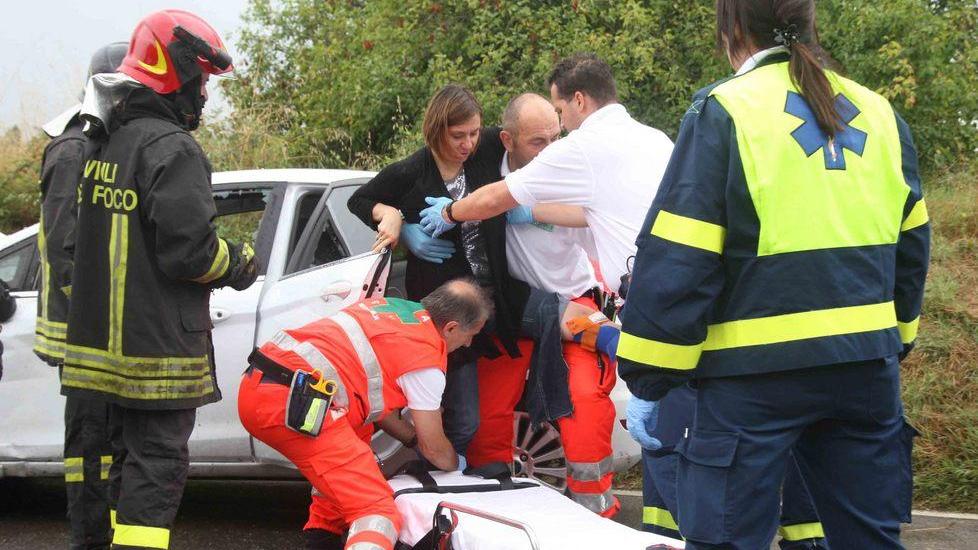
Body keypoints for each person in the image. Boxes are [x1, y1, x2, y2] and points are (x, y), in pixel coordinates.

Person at [616, 1, 929, 548]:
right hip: (864, 374)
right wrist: (892, 343)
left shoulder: (724, 110)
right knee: (869, 540)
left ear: (731, 26)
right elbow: (910, 248)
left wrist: (651, 376)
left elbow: (683, 255)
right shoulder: (881, 113)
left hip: (750, 384)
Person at [61, 10, 258, 549]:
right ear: (176, 74)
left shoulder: (104, 142)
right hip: (156, 361)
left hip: (99, 357)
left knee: (113, 471)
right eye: (202, 81)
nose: (205, 96)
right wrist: (240, 262)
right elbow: (190, 254)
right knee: (154, 473)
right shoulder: (172, 148)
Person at [238, 279, 492, 550]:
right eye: (471, 335)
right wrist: (457, 466)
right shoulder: (425, 358)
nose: (468, 344)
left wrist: (411, 439)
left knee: (352, 463)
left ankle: (322, 540)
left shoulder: (387, 308)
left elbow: (375, 407)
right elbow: (434, 449)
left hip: (264, 385)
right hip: (296, 401)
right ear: (451, 328)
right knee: (376, 511)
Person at [347, 85, 529, 458]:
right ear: (436, 130)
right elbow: (359, 200)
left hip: (494, 296)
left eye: (474, 133)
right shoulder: (413, 171)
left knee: (547, 325)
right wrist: (400, 224)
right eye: (458, 135)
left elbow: (525, 135)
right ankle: (439, 475)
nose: (468, 143)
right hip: (445, 311)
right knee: (461, 417)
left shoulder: (486, 151)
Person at [463, 93, 620, 516]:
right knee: (487, 413)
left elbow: (600, 225)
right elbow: (438, 150)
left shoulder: (573, 175)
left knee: (584, 403)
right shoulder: (481, 171)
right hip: (516, 311)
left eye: (557, 136)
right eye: (538, 142)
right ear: (507, 140)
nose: (552, 150)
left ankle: (595, 513)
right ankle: (492, 512)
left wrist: (538, 213)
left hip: (572, 305)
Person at [418, 53, 674, 296]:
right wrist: (533, 212)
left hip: (642, 293)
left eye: (560, 111)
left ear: (580, 101)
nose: (562, 124)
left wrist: (448, 212)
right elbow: (597, 213)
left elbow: (495, 199)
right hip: (683, 276)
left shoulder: (581, 147)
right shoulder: (656, 139)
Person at [35, 41, 128, 550]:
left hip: (105, 333)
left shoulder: (105, 144)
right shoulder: (74, 149)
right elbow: (65, 246)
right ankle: (91, 539)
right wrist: (95, 319)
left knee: (110, 447)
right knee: (90, 449)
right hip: (84, 336)